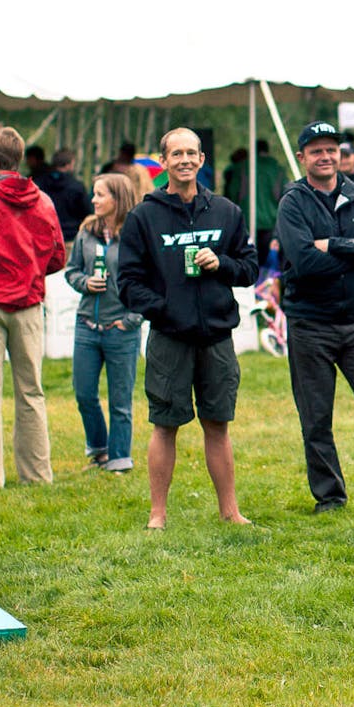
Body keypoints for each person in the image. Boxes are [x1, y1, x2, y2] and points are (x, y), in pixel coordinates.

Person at [117, 126, 257, 529]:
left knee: (218, 424)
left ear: (201, 159)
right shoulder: (144, 217)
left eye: (191, 153)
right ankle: (157, 514)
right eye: (176, 154)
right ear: (163, 161)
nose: (184, 160)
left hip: (216, 337)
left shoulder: (226, 212)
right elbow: (128, 282)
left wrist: (222, 264)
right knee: (165, 425)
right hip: (169, 337)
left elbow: (249, 268)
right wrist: (164, 310)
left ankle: (230, 512)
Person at [274, 121, 354, 513]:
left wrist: (332, 244)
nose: (326, 156)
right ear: (302, 158)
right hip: (309, 324)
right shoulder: (293, 203)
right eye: (316, 151)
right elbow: (304, 262)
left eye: (331, 149)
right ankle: (330, 496)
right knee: (316, 418)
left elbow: (323, 254)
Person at [0, 127, 65, 490]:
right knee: (31, 391)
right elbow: (57, 255)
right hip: (28, 303)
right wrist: (32, 272)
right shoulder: (42, 200)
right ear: (20, 159)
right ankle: (37, 473)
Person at [65, 173, 142, 473]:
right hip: (87, 325)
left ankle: (119, 459)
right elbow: (71, 270)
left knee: (120, 402)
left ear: (118, 199)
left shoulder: (136, 235)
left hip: (121, 330)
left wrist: (131, 320)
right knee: (84, 394)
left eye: (100, 194)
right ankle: (99, 451)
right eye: (94, 194)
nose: (93, 200)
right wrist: (84, 282)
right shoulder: (86, 231)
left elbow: (150, 280)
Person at [37, 148, 91, 243]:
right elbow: (87, 213)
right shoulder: (77, 187)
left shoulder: (39, 184)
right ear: (68, 165)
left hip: (45, 238)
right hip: (70, 237)